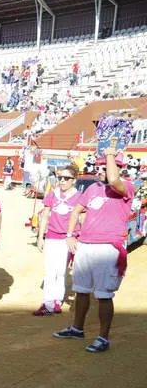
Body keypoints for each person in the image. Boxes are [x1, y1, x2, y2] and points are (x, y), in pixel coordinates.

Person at [53, 148, 135, 353]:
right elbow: (77, 210)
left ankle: (103, 337)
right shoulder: (93, 189)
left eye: (103, 166)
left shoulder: (125, 186)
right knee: (81, 290)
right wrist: (70, 234)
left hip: (108, 247)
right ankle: (77, 329)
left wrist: (109, 155)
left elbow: (114, 180)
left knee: (103, 294)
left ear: (116, 167)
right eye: (97, 166)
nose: (99, 169)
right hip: (85, 244)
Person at [34, 163, 81, 316]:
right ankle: (48, 302)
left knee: (61, 271)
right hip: (52, 237)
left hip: (68, 239)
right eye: (60, 177)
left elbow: (83, 220)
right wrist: (41, 237)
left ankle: (57, 301)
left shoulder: (79, 197)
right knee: (49, 270)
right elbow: (45, 216)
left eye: (66, 178)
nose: (62, 180)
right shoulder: (53, 194)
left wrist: (78, 239)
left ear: (74, 180)